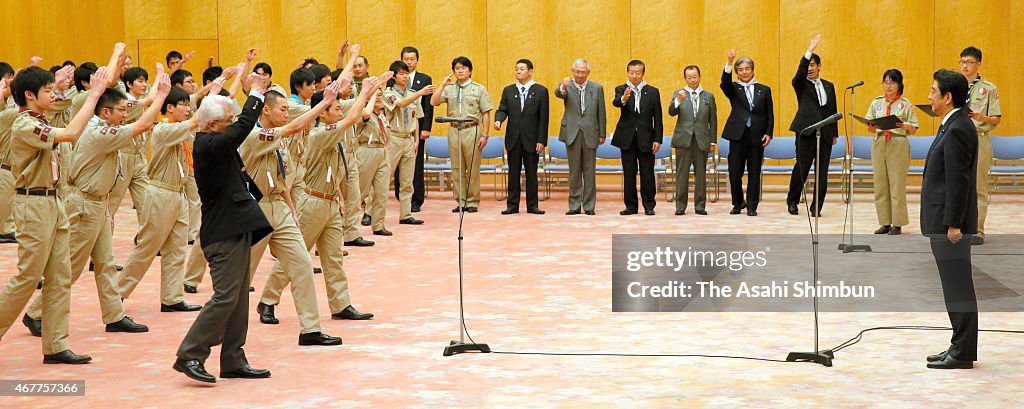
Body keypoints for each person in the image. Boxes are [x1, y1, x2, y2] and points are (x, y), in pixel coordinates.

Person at [22, 74, 171, 337]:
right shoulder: (101, 132)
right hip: (84, 206)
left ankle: (114, 315)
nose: (126, 115)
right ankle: (36, 313)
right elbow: (139, 127)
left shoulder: (105, 129)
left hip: (98, 205)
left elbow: (137, 126)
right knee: (70, 266)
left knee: (106, 263)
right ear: (105, 112)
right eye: (122, 111)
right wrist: (160, 95)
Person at [0, 62, 110, 365]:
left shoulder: (42, 118)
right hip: (32, 204)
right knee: (27, 277)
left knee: (60, 277)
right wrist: (95, 93)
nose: (53, 94)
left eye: (52, 88)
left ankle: (56, 344)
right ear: (29, 95)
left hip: (54, 201)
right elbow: (73, 132)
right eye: (47, 90)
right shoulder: (24, 124)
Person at [174, 74, 273, 383]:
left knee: (239, 296)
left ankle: (232, 358)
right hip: (223, 232)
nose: (232, 125)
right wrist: (255, 94)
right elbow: (242, 128)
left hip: (236, 227)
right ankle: (190, 353)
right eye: (227, 121)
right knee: (225, 297)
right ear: (213, 125)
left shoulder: (215, 139)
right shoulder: (208, 143)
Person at [263, 78, 379, 322]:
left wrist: (338, 198)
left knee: (334, 257)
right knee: (296, 255)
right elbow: (350, 119)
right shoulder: (320, 134)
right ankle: (268, 300)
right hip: (312, 203)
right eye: (335, 108)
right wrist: (366, 92)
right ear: (322, 114)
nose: (340, 111)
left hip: (329, 203)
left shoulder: (332, 135)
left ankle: (340, 304)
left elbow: (332, 170)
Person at [241, 81, 344, 346]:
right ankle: (223, 332)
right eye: (283, 110)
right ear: (266, 111)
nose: (287, 114)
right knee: (241, 276)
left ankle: (310, 329)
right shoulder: (255, 136)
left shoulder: (278, 139)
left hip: (280, 207)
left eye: (289, 110)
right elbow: (296, 126)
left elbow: (282, 177)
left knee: (302, 264)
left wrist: (292, 210)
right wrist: (322, 103)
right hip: (256, 207)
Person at [117, 78, 212, 313]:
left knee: (177, 249)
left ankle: (171, 297)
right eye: (183, 105)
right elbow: (189, 125)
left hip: (178, 195)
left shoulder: (181, 129)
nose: (188, 109)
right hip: (161, 193)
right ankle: (117, 294)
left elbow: (193, 128)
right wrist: (202, 112)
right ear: (169, 107)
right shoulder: (163, 129)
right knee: (147, 248)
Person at [921, 69, 978, 370]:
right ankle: (958, 345)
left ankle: (963, 352)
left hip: (950, 225)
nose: (929, 96)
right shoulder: (951, 124)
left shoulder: (958, 128)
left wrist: (954, 224)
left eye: (933, 91)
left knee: (958, 286)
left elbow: (959, 181)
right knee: (953, 286)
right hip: (943, 220)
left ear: (948, 97)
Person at [430, 56, 493, 213]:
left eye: (463, 68)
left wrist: (485, 134)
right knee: (457, 168)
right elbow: (433, 101)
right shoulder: (449, 89)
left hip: (472, 129)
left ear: (470, 71)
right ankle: (461, 201)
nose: (460, 71)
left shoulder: (479, 89)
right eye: (457, 68)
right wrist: (443, 85)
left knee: (472, 167)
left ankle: (472, 201)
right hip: (453, 129)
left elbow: (486, 113)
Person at [786, 35, 838, 217]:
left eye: (813, 65)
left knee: (822, 171)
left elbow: (833, 110)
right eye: (808, 65)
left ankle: (817, 207)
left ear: (819, 67)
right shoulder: (800, 84)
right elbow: (800, 73)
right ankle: (792, 201)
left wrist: (834, 133)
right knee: (802, 167)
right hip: (805, 132)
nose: (810, 68)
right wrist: (809, 50)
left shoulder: (829, 86)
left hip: (825, 133)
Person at [720, 50, 774, 216]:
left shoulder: (764, 89)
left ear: (752, 70)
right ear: (737, 72)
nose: (744, 72)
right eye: (741, 69)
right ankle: (738, 203)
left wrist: (768, 132)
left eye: (747, 69)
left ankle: (752, 206)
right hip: (737, 135)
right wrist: (729, 62)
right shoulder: (734, 88)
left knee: (754, 173)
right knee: (734, 172)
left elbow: (769, 114)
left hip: (757, 136)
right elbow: (724, 83)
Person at [958, 46, 1002, 246]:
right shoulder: (954, 87)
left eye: (969, 62)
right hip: (957, 138)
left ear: (978, 64)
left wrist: (980, 117)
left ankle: (977, 229)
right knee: (958, 184)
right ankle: (958, 227)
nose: (965, 66)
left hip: (978, 137)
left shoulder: (989, 88)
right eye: (962, 62)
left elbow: (996, 119)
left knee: (978, 186)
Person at [866, 69, 918, 235]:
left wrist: (906, 126)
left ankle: (898, 223)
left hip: (898, 143)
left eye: (892, 82)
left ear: (899, 84)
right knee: (880, 184)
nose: (888, 86)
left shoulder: (906, 104)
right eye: (885, 82)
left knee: (897, 184)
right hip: (880, 142)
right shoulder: (877, 103)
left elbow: (914, 128)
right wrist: (871, 126)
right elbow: (869, 126)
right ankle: (885, 222)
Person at [494, 58, 549, 215]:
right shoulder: (509, 90)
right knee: (513, 173)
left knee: (532, 174)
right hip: (513, 138)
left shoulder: (540, 91)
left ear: (530, 72)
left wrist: (541, 140)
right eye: (516, 69)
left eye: (522, 69)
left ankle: (532, 205)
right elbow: (502, 109)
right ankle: (512, 205)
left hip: (532, 139)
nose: (518, 71)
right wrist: (499, 120)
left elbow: (544, 118)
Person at [554, 58, 606, 215]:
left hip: (591, 133)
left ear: (588, 72)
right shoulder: (567, 86)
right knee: (574, 171)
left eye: (583, 72)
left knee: (589, 172)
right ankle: (574, 206)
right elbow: (559, 93)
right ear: (572, 72)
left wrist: (602, 133)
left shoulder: (597, 88)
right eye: (577, 71)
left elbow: (601, 112)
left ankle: (589, 206)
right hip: (572, 133)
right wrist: (563, 86)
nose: (580, 75)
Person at [383, 60, 432, 224]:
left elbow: (417, 118)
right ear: (394, 76)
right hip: (394, 139)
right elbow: (400, 104)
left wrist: (416, 140)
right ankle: (372, 212)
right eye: (401, 74)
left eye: (406, 73)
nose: (405, 76)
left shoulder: (412, 93)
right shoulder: (387, 94)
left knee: (407, 181)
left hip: (409, 139)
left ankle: (405, 214)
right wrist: (419, 94)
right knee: (384, 178)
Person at [612, 60, 663, 216]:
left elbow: (658, 118)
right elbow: (616, 102)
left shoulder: (653, 91)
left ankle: (649, 205)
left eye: (637, 73)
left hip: (646, 138)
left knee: (647, 172)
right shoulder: (621, 89)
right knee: (629, 172)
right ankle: (631, 206)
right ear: (627, 72)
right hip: (627, 138)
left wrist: (657, 139)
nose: (634, 76)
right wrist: (624, 99)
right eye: (631, 72)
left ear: (643, 73)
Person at [668, 65, 717, 215]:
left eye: (694, 77)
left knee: (701, 174)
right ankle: (680, 206)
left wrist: (713, 141)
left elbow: (713, 120)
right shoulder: (679, 93)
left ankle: (700, 206)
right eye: (689, 78)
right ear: (685, 79)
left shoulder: (708, 96)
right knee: (681, 174)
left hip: (702, 139)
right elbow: (671, 112)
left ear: (700, 76)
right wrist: (678, 101)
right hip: (683, 139)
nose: (692, 80)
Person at [397, 46, 434, 213]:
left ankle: (416, 199)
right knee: (399, 166)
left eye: (412, 59)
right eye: (406, 59)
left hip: (416, 129)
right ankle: (401, 197)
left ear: (417, 60)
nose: (409, 62)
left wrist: (426, 129)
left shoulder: (425, 79)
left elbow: (428, 106)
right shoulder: (394, 79)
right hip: (398, 130)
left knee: (417, 164)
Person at [0, 63, 18, 244]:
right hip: (3, 163)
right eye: (8, 77)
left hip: (13, 164)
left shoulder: (10, 104)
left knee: (9, 201)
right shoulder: (10, 112)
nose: (11, 81)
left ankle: (6, 229)